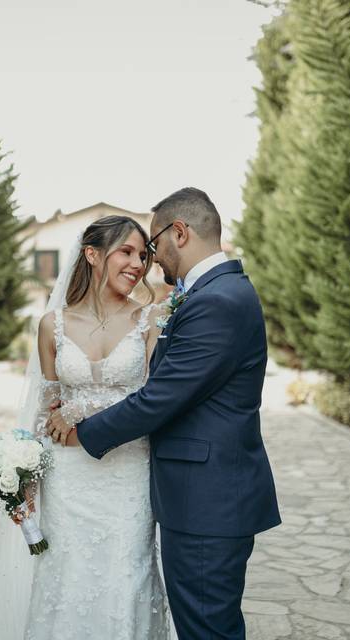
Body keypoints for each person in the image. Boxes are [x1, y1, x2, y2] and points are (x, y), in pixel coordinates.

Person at [47, 187, 282, 639]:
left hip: (206, 502)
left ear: (179, 232)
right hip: (200, 497)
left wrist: (82, 432)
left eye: (152, 246)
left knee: (207, 630)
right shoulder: (216, 293)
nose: (151, 262)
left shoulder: (217, 301)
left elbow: (161, 398)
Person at [0, 214, 172, 640]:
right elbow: (46, 410)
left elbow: (155, 399)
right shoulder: (53, 325)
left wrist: (80, 408)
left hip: (128, 476)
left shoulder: (151, 321)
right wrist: (25, 477)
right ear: (92, 254)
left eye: (143, 255)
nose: (137, 264)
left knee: (128, 577)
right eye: (126, 252)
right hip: (68, 479)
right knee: (67, 577)